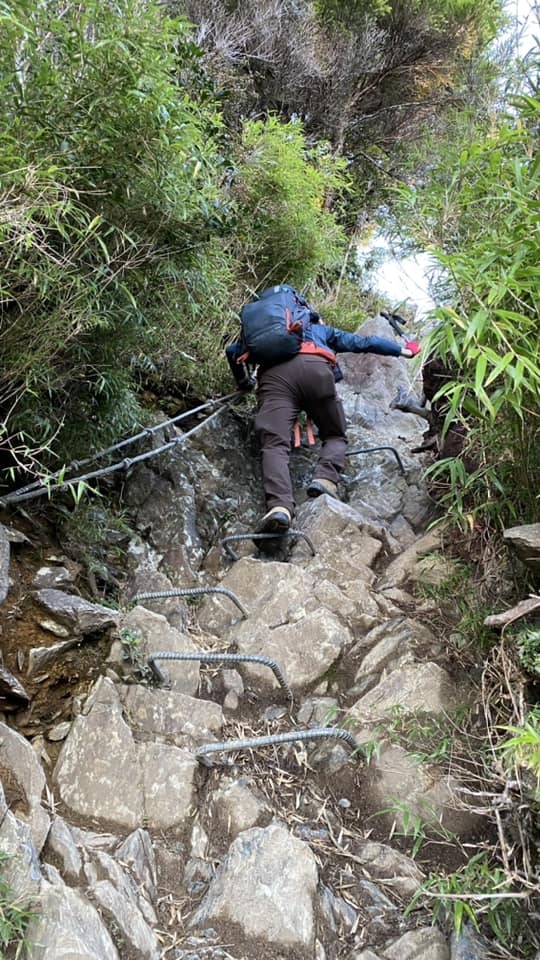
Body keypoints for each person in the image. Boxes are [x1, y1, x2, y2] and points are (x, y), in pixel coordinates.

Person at [226, 305, 421, 535]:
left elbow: (232, 351)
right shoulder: (321, 331)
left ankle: (280, 507)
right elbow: (364, 343)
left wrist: (244, 382)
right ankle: (325, 479)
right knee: (335, 434)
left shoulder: (262, 338)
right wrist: (404, 351)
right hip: (315, 371)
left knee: (274, 445)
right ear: (314, 320)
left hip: (274, 380)